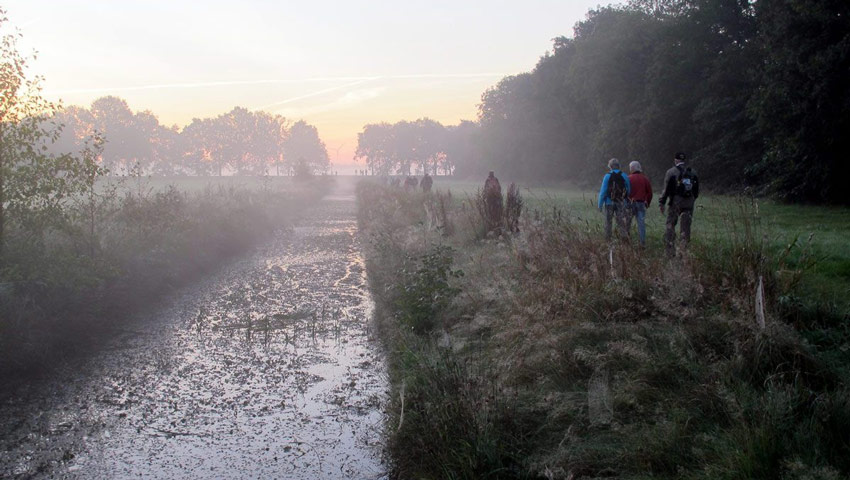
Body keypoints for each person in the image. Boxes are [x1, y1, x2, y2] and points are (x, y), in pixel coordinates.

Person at [659, 152, 699, 256]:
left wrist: (662, 202)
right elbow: (696, 190)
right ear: (684, 160)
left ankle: (669, 250)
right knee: (685, 227)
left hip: (675, 203)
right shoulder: (693, 172)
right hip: (689, 204)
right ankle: (683, 251)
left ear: (675, 160)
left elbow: (666, 189)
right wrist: (691, 200)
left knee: (670, 225)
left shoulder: (671, 172)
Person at [597, 158, 631, 241]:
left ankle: (607, 239)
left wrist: (600, 205)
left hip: (609, 202)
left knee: (608, 222)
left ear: (610, 166)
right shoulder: (624, 175)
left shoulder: (607, 176)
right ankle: (623, 239)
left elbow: (603, 192)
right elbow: (628, 190)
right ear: (618, 166)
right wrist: (625, 200)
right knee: (621, 222)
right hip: (621, 202)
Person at [627, 160, 653, 247]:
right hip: (641, 204)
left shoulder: (628, 178)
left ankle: (626, 241)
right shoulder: (645, 179)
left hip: (630, 204)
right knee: (641, 225)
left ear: (631, 169)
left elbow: (625, 192)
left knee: (627, 223)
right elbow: (649, 192)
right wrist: (647, 202)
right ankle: (642, 243)